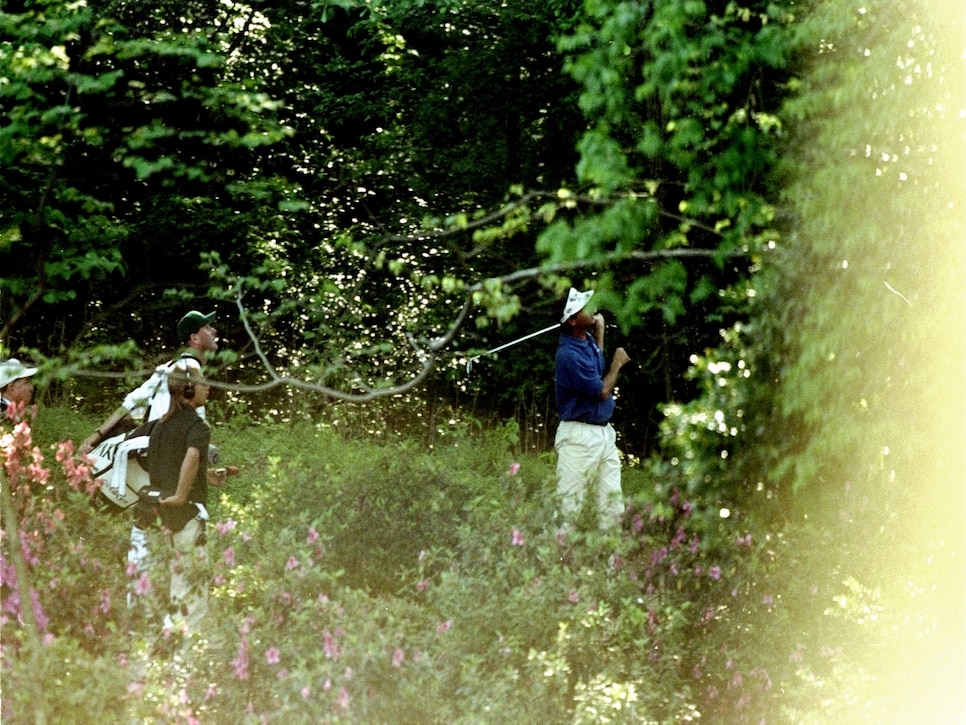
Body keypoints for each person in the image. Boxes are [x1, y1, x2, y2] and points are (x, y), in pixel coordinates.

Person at [79, 310, 219, 455]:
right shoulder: (191, 370)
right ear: (195, 338)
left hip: (151, 449)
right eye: (208, 328)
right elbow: (196, 429)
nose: (214, 330)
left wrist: (96, 436)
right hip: (170, 453)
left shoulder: (167, 367)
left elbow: (130, 403)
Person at [138, 364, 212, 632]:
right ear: (190, 390)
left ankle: (158, 652)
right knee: (189, 593)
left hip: (158, 518)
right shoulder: (197, 426)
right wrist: (182, 494)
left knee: (162, 587)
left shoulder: (159, 426)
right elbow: (191, 455)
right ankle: (182, 662)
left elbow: (170, 463)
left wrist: (208, 476)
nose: (208, 387)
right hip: (185, 518)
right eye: (203, 383)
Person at [554, 288, 631, 532]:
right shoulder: (568, 354)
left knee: (612, 507)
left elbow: (596, 367)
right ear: (573, 320)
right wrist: (617, 363)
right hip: (578, 438)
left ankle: (610, 568)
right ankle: (554, 565)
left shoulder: (584, 342)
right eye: (584, 308)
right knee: (569, 509)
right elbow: (601, 390)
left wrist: (600, 333)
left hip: (603, 435)